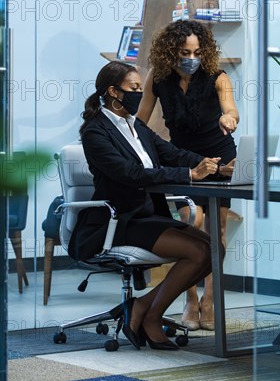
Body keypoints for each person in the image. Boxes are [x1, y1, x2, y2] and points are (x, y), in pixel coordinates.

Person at [74, 61, 223, 351]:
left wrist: (215, 168)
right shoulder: (95, 132)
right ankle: (152, 316)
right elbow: (131, 173)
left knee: (215, 249)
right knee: (197, 251)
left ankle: (141, 306)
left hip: (147, 215)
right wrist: (188, 175)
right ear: (113, 92)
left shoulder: (136, 126)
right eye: (133, 88)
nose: (139, 94)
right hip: (120, 221)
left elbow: (173, 153)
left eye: (141, 88)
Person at [137, 19, 239, 331]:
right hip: (185, 163)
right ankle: (189, 300)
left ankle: (210, 300)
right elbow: (140, 120)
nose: (191, 58)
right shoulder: (159, 78)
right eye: (184, 52)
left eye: (196, 52)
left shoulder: (218, 77)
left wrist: (229, 119)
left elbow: (232, 111)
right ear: (171, 51)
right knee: (189, 226)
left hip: (220, 160)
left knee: (216, 232)